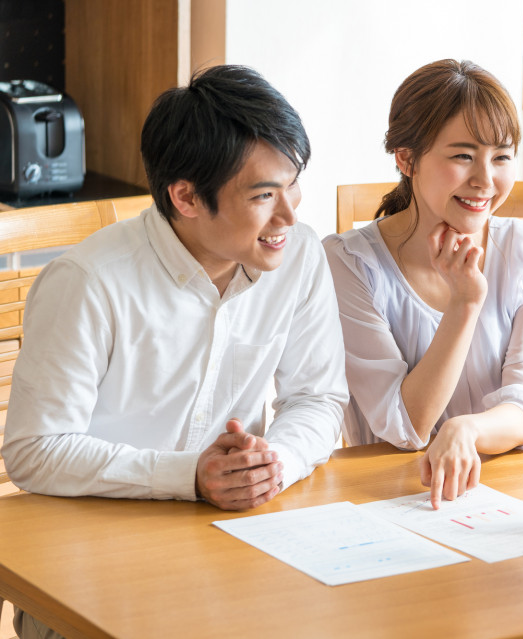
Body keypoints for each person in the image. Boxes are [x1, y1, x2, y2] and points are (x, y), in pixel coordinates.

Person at [3, 68, 347, 522]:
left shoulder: (298, 255)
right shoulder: (88, 282)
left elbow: (317, 398)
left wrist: (270, 466)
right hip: (102, 527)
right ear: (186, 198)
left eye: (292, 184)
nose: (288, 215)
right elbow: (36, 451)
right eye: (264, 195)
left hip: (236, 526)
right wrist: (188, 477)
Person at [323, 59, 523, 509]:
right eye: (463, 156)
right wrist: (465, 303)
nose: (486, 182)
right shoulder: (347, 262)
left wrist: (467, 429)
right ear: (406, 158)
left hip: (496, 485)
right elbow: (406, 428)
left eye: (502, 157)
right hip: (388, 494)